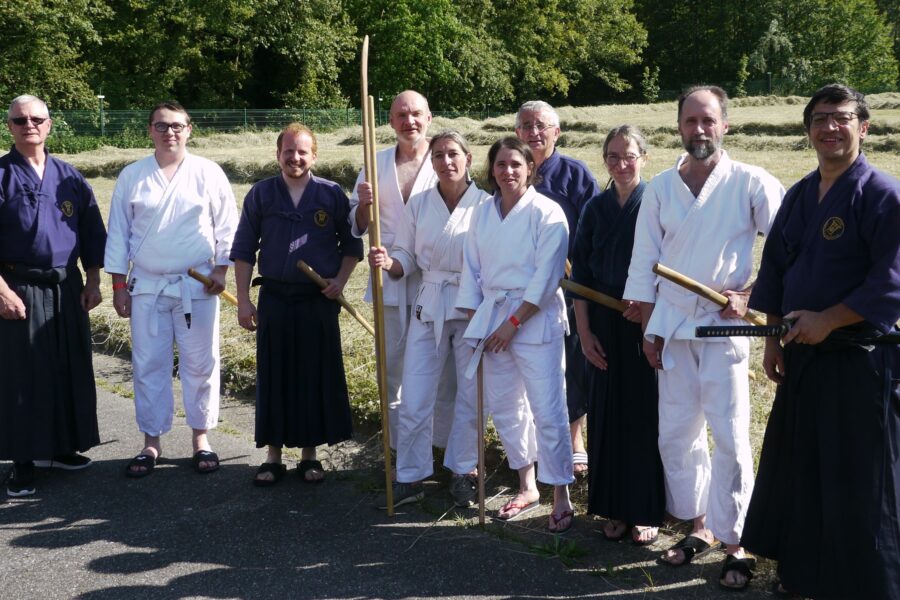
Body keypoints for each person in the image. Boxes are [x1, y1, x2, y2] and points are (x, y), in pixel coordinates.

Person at [741, 84, 900, 599]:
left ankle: (862, 584)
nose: (830, 127)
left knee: (858, 476)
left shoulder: (883, 194)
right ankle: (802, 573)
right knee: (802, 469)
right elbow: (775, 269)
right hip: (802, 356)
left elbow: (891, 280)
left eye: (842, 117)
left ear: (864, 127)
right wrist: (772, 338)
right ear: (808, 129)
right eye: (819, 118)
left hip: (859, 362)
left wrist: (830, 319)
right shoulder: (799, 195)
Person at [623, 85, 784, 589]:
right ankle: (700, 526)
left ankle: (736, 542)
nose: (699, 130)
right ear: (678, 126)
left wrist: (749, 293)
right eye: (691, 121)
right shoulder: (660, 189)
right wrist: (649, 330)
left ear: (725, 125)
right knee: (677, 432)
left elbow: (786, 248)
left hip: (722, 324)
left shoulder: (750, 181)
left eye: (708, 120)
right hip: (673, 325)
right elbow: (643, 262)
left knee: (730, 435)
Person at [105, 101, 238, 478]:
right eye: (162, 126)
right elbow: (118, 233)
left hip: (197, 285)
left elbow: (228, 226)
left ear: (189, 130)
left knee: (201, 362)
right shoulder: (132, 175)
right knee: (149, 363)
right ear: (150, 130)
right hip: (147, 285)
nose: (170, 133)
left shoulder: (208, 172)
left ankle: (201, 437)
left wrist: (221, 270)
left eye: (177, 126)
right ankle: (151, 441)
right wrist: (119, 285)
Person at [230, 123, 361, 486]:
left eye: (302, 151)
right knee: (275, 374)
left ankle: (309, 455)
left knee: (312, 375)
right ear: (278, 155)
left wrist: (340, 281)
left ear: (314, 156)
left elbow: (352, 246)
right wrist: (244, 301)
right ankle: (272, 456)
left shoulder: (331, 194)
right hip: (275, 298)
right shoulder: (261, 194)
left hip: (317, 301)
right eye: (288, 151)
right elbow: (243, 250)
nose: (295, 158)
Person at [457, 137, 574, 532]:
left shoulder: (548, 212)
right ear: (491, 169)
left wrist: (514, 323)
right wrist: (478, 321)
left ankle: (561, 493)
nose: (508, 171)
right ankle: (527, 485)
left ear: (530, 169)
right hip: (492, 318)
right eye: (501, 164)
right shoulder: (481, 213)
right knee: (506, 406)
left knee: (547, 407)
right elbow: (471, 271)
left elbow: (547, 276)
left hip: (534, 319)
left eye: (516, 164)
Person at [369, 130, 491, 507]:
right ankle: (410, 475)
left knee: (470, 394)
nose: (446, 161)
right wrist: (389, 262)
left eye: (453, 154)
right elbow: (405, 255)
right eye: (438, 155)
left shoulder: (486, 205)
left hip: (472, 305)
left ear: (468, 159)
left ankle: (464, 471)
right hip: (430, 303)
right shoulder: (420, 204)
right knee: (415, 394)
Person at [0, 95, 106, 496]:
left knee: (68, 366)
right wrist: (2, 292)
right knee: (22, 375)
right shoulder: (2, 175)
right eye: (20, 120)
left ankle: (62, 446)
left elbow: (92, 232)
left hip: (66, 286)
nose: (29, 125)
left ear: (49, 124)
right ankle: (22, 460)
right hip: (18, 286)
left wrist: (93, 281)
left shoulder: (69, 177)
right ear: (9, 126)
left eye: (36, 119)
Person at [571, 125, 664, 545]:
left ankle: (646, 510)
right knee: (606, 412)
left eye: (629, 155)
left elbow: (668, 265)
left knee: (644, 413)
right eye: (613, 156)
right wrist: (584, 332)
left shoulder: (656, 202)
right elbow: (580, 276)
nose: (621, 164)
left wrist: (649, 307)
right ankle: (614, 508)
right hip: (603, 322)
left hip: (644, 320)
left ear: (644, 157)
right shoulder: (595, 208)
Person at [350, 90, 456, 454]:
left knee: (441, 370)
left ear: (428, 118)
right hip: (388, 278)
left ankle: (439, 447)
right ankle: (400, 449)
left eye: (416, 114)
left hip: (435, 280)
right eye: (401, 115)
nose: (409, 121)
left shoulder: (444, 159)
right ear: (391, 121)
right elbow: (357, 224)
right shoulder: (375, 162)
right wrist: (364, 206)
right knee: (392, 368)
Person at [516, 101, 600, 477]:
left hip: (566, 287)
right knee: (524, 366)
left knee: (570, 364)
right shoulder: (510, 168)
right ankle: (530, 444)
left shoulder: (574, 175)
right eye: (526, 126)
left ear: (557, 132)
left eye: (541, 125)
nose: (533, 132)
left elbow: (594, 229)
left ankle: (575, 439)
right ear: (516, 132)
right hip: (518, 286)